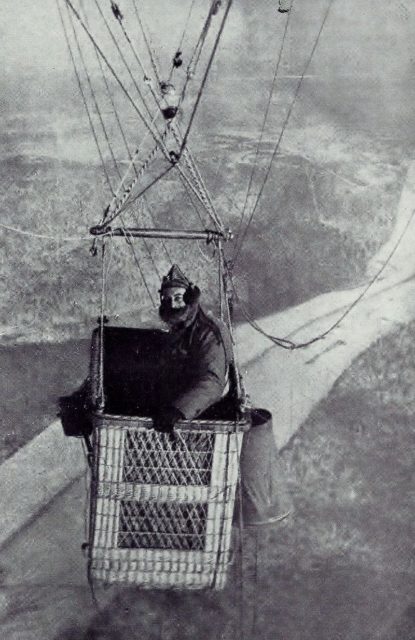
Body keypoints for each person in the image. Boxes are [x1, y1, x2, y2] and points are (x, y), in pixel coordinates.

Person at [152, 264, 233, 434]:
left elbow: (212, 382)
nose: (172, 305)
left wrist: (178, 410)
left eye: (178, 298)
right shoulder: (178, 328)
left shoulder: (209, 332)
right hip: (184, 408)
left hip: (208, 413)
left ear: (190, 299)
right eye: (167, 300)